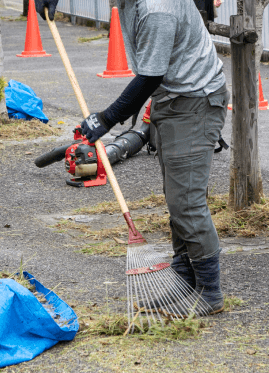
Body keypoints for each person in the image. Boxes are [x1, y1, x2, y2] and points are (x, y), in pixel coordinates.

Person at [36, 0, 228, 315]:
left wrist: (105, 119)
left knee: (187, 203)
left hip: (195, 100)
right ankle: (183, 284)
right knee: (176, 198)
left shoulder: (157, 9)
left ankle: (210, 292)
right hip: (172, 97)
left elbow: (150, 76)